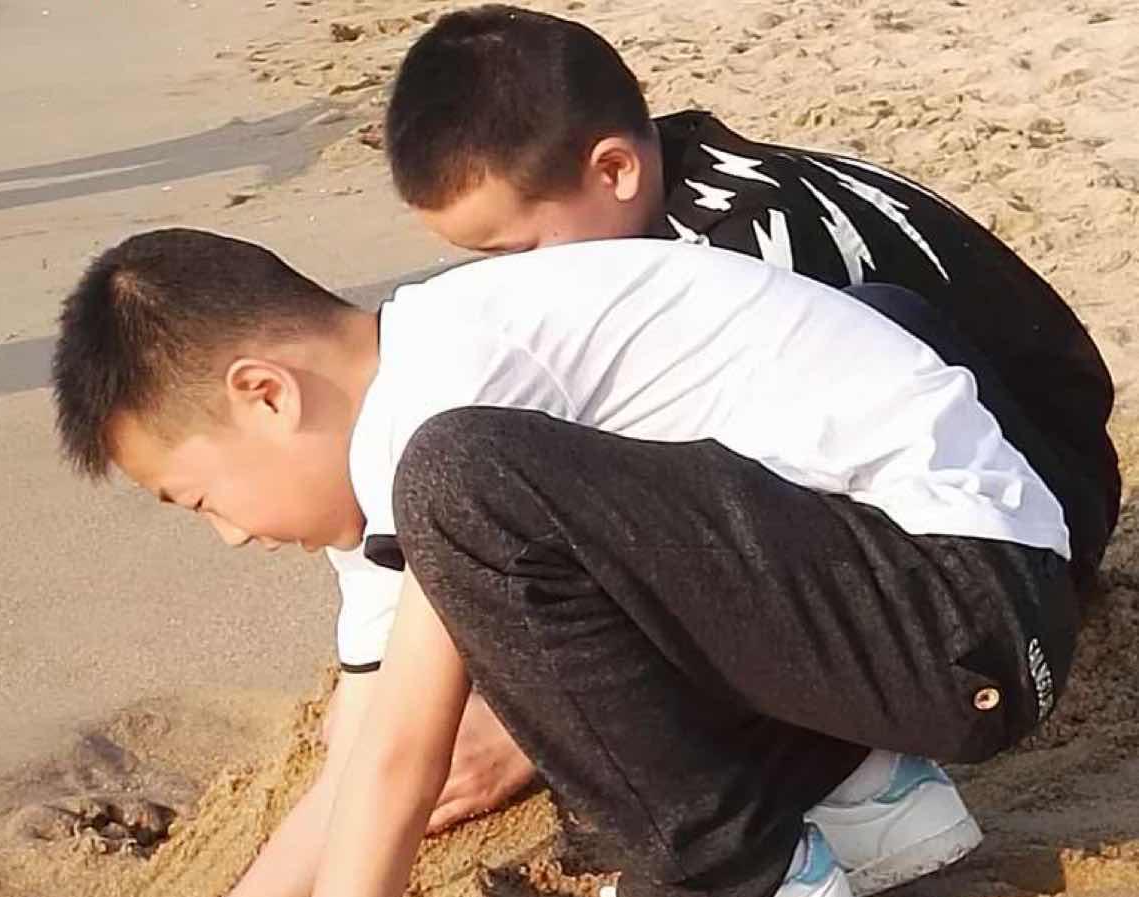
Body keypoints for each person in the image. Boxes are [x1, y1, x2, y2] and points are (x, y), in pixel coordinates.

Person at [0, 226, 1079, 897]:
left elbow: (402, 763)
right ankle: (860, 796)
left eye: (198, 499)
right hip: (910, 622)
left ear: (265, 393)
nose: (228, 535)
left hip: (962, 611)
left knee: (465, 493)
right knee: (482, 534)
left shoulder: (450, 400)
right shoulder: (408, 453)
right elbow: (354, 771)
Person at [380, 5, 1118, 840]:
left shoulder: (749, 246)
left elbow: (723, 508)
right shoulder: (666, 182)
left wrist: (534, 718)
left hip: (1029, 507)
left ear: (615, 169)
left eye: (512, 256)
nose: (502, 287)